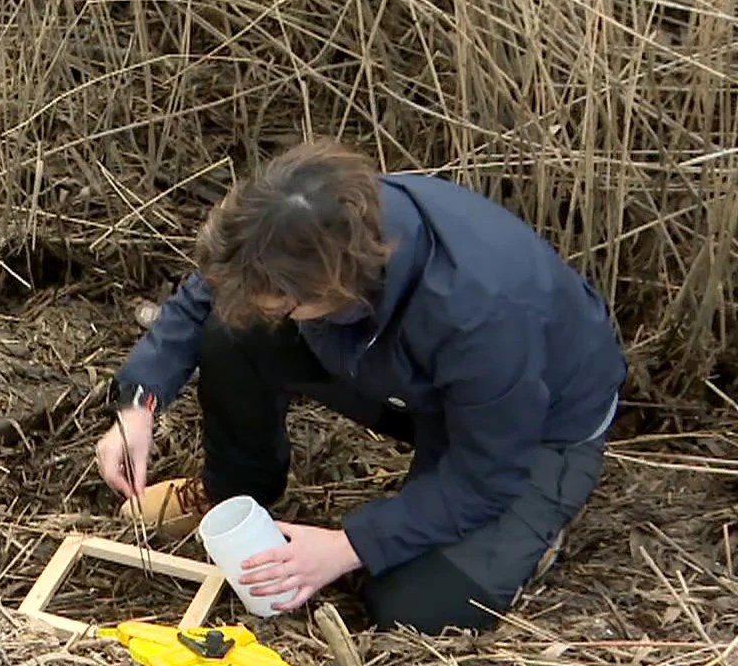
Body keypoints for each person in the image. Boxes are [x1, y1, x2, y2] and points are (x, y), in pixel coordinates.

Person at [95, 141, 625, 633]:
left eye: (287, 304)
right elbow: (212, 292)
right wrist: (140, 402)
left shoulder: (483, 313)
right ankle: (234, 493)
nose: (272, 308)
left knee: (416, 605)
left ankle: (538, 522)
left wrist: (349, 545)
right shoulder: (299, 226)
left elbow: (487, 471)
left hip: (535, 425)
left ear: (335, 285)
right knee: (235, 326)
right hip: (397, 371)